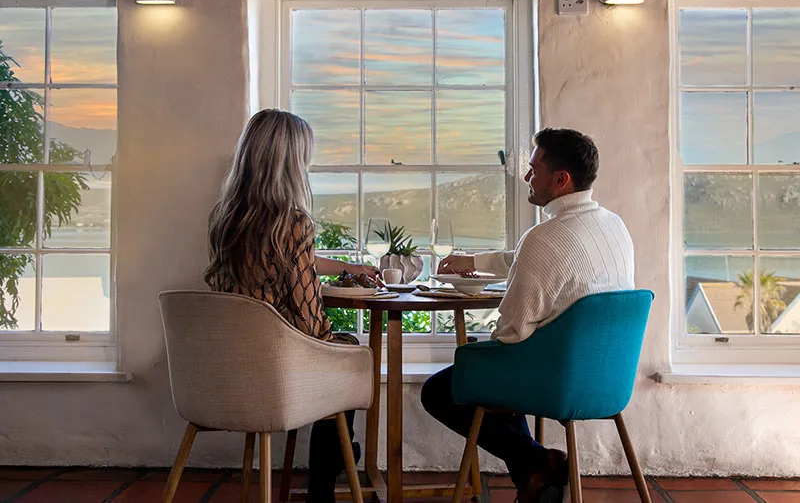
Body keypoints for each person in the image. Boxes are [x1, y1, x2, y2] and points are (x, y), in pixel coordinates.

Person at [421, 128, 635, 503]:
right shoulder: (613, 225)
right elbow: (531, 258)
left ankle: (541, 461)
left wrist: (482, 353)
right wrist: (473, 261)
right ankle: (535, 482)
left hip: (557, 383)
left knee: (441, 390)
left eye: (534, 169)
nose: (526, 176)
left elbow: (511, 334)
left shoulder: (545, 238)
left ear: (560, 179)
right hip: (608, 379)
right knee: (504, 368)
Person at [204, 109, 378, 503]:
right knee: (348, 350)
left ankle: (337, 456)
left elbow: (283, 261)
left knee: (338, 353)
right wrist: (333, 341)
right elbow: (309, 319)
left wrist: (349, 268)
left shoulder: (226, 219)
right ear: (290, 163)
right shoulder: (294, 222)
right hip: (276, 370)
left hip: (232, 365)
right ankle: (327, 477)